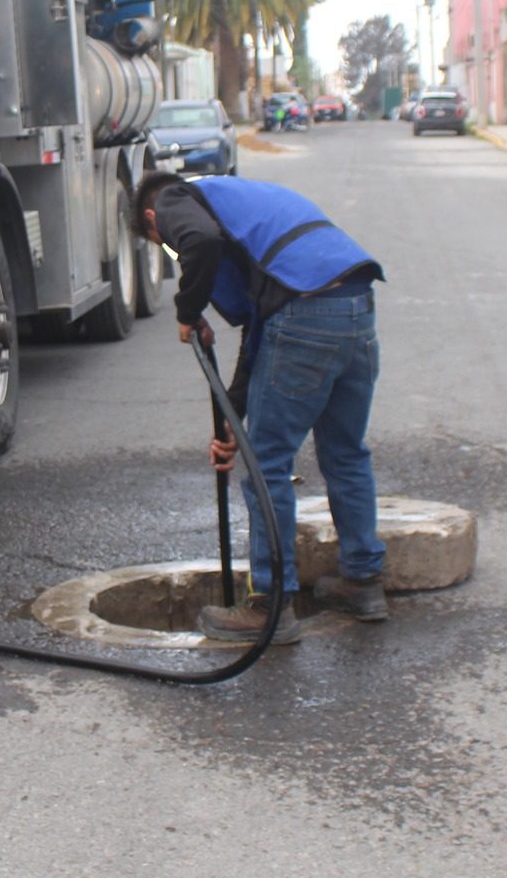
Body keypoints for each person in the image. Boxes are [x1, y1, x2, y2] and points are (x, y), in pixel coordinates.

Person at [135, 171, 387, 643]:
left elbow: (200, 242)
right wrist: (234, 417)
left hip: (305, 312)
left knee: (266, 465)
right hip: (354, 304)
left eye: (161, 243)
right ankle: (362, 582)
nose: (170, 246)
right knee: (346, 452)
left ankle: (271, 605)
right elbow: (263, 331)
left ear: (152, 219)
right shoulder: (246, 204)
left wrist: (188, 311)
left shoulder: (172, 197)